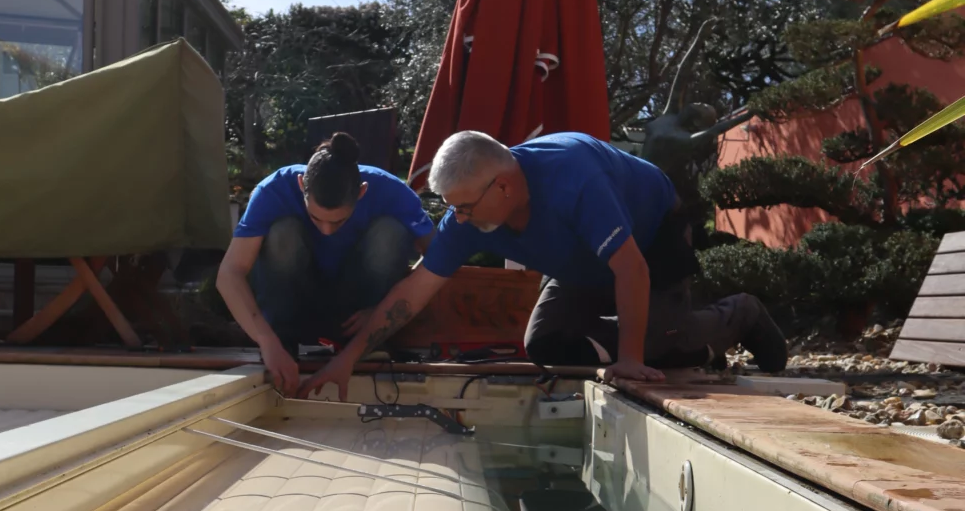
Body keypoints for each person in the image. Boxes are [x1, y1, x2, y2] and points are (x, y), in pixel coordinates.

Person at [299, 130, 787, 400]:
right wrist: (348, 358)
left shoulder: (574, 177)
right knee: (544, 344)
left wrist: (631, 359)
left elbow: (631, 269)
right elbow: (414, 291)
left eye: (464, 207)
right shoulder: (469, 212)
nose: (458, 219)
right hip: (579, 263)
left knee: (647, 352)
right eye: (452, 208)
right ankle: (674, 343)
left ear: (504, 187)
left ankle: (737, 315)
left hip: (649, 242)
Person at [217, 132, 436, 394]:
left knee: (390, 232)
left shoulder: (392, 192)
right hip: (293, 308)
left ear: (363, 192)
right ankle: (284, 342)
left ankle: (369, 346)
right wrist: (266, 340)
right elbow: (230, 272)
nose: (326, 231)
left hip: (358, 316)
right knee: (283, 232)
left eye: (338, 221)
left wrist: (385, 309)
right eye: (315, 218)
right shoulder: (272, 190)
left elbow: (439, 263)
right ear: (301, 185)